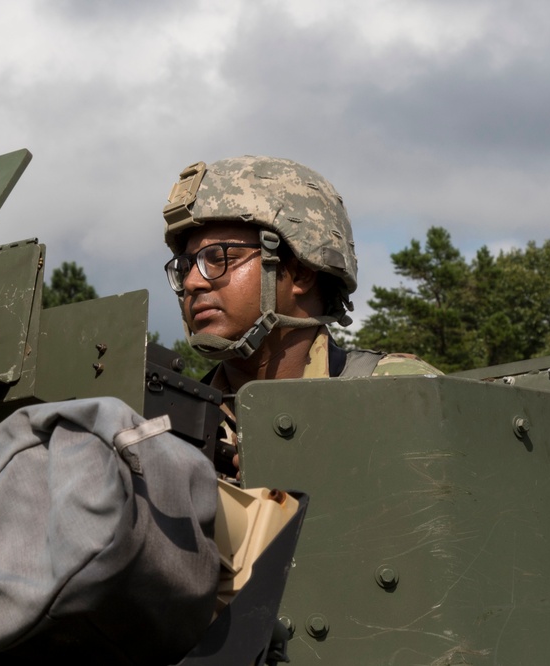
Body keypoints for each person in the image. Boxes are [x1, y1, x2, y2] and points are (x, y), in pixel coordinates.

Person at [162, 156, 439, 475]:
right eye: (185, 267)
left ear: (300, 273)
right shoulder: (168, 425)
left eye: (219, 258)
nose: (193, 282)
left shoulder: (400, 394)